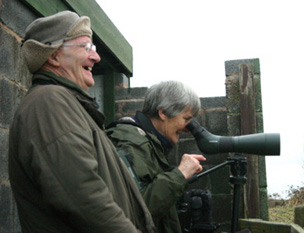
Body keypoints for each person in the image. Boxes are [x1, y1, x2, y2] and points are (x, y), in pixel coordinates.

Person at [8, 11, 155, 233]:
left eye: (93, 48)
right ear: (53, 57)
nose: (96, 57)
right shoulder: (49, 103)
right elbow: (84, 197)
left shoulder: (67, 104)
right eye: (85, 47)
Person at [106, 80, 207, 233]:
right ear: (163, 113)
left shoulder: (150, 142)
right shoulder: (131, 142)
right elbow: (136, 209)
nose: (188, 129)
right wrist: (180, 174)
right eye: (186, 119)